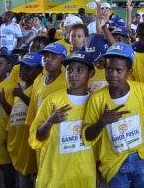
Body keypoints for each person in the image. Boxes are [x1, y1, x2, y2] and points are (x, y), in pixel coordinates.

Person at [83, 43, 144, 188]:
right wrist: (102, 121)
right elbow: (88, 136)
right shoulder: (97, 98)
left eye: (119, 70)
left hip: (142, 157)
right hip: (113, 164)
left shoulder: (141, 90)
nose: (112, 74)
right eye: (109, 69)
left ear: (129, 72)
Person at [29, 50, 97, 187]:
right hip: (54, 177)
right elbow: (36, 139)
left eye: (80, 70)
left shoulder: (95, 101)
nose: (73, 74)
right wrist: (49, 122)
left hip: (84, 176)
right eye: (69, 69)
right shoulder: (52, 101)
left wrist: (97, 171)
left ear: (91, 73)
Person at [7, 52, 44, 188]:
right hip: (16, 140)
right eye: (22, 68)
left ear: (39, 70)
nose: (23, 71)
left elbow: (36, 109)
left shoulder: (38, 88)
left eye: (28, 69)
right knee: (19, 178)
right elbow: (13, 113)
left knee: (30, 177)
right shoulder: (20, 87)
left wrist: (21, 95)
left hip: (28, 142)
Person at [0, 48, 18, 188]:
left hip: (3, 136)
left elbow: (14, 113)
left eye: (0, 63)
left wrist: (2, 100)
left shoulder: (12, 85)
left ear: (8, 66)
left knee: (7, 171)